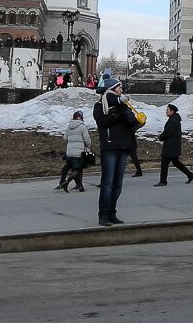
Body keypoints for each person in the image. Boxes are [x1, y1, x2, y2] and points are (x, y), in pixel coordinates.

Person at [93, 77, 136, 226]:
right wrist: (117, 111)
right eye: (119, 88)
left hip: (123, 147)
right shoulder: (100, 106)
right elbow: (103, 123)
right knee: (108, 183)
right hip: (109, 147)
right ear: (111, 89)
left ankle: (112, 213)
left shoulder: (123, 105)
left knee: (118, 183)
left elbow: (132, 122)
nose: (121, 91)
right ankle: (103, 215)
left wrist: (128, 113)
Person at [154, 104, 193, 185]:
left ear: (172, 111)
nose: (166, 111)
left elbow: (168, 132)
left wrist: (161, 137)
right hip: (173, 145)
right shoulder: (174, 119)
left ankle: (163, 181)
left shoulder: (173, 121)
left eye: (167, 110)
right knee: (176, 162)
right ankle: (190, 175)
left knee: (164, 164)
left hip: (170, 146)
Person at [57, 109, 91, 192]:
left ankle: (80, 186)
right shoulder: (82, 126)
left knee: (72, 168)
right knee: (78, 169)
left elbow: (65, 138)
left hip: (70, 152)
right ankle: (66, 182)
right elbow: (87, 139)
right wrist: (88, 146)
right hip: (79, 152)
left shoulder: (69, 126)